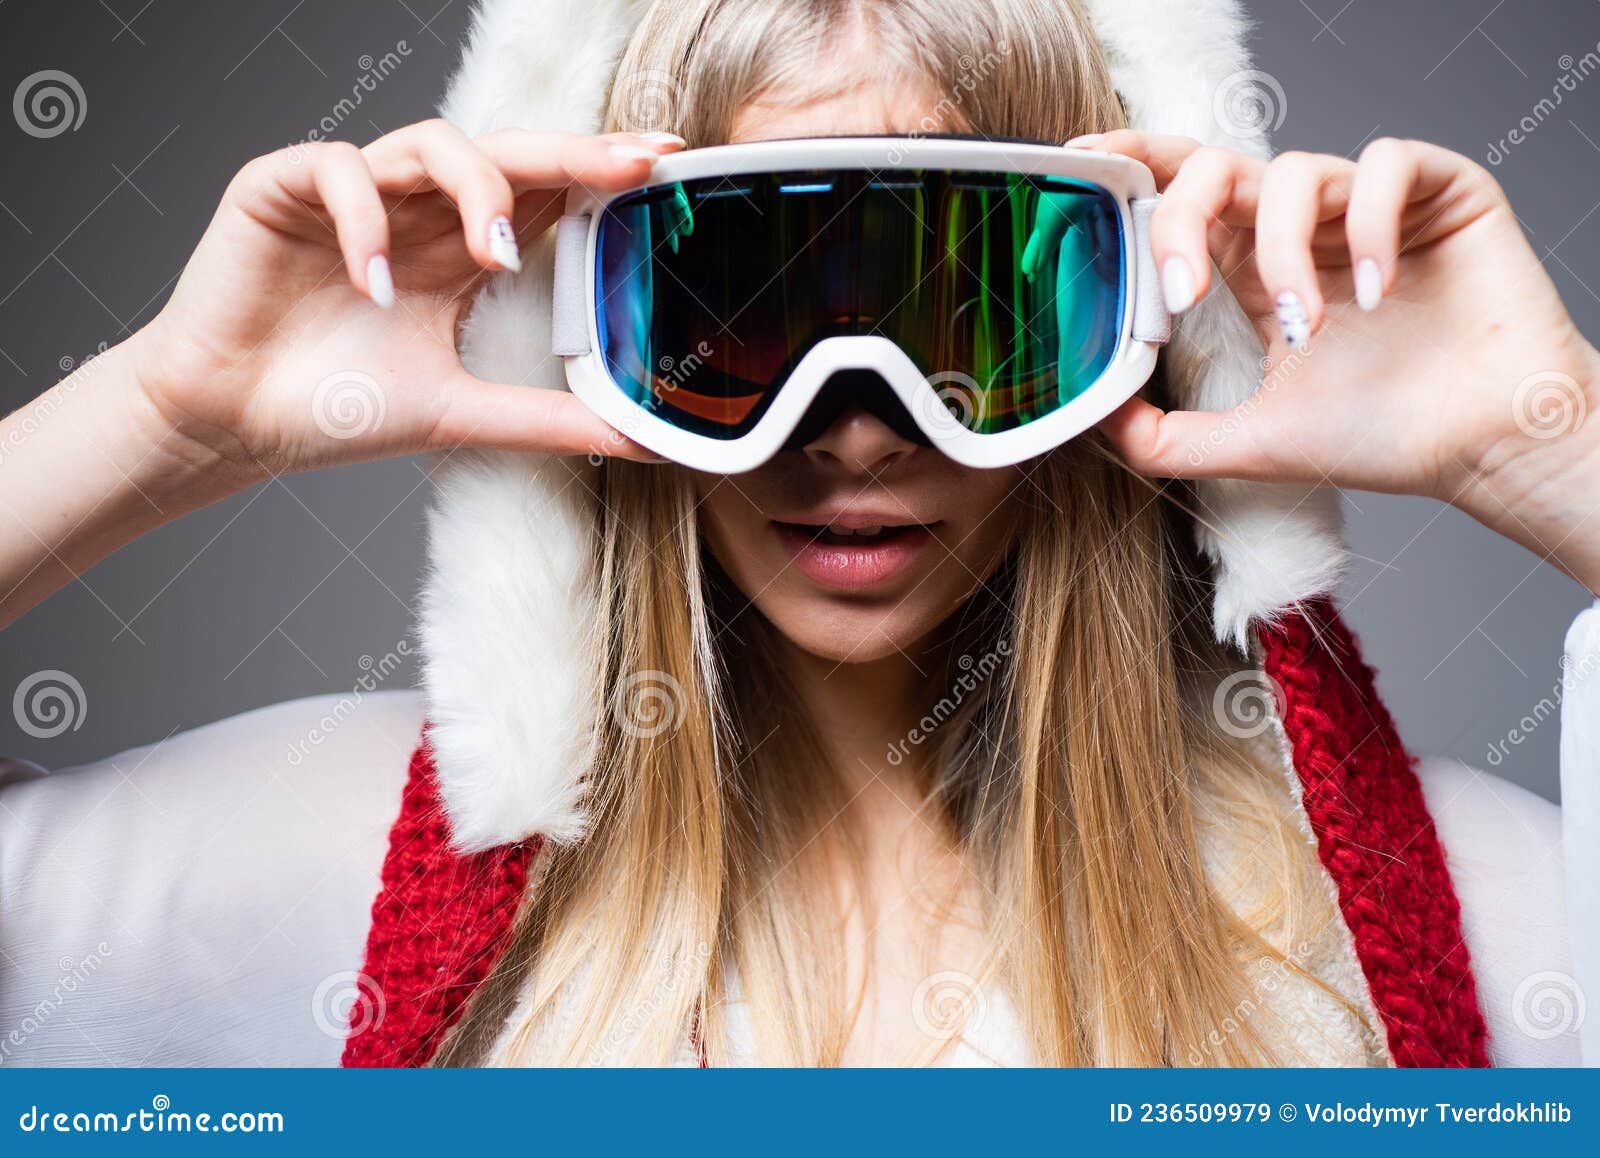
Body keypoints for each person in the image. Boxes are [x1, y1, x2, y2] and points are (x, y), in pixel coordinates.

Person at [1, 0, 1594, 1067]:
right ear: (588, 316)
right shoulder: (324, 869)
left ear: (1136, 317)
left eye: (965, 301)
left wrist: (1549, 440)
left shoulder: (1451, 913)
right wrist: (169, 413)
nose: (853, 421)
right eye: (733, 304)